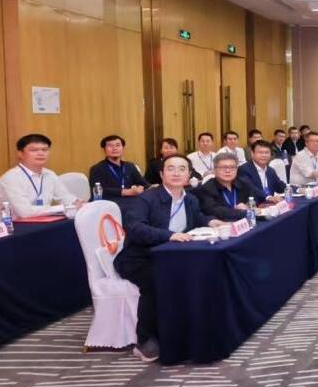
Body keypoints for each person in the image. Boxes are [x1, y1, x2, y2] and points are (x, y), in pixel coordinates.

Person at [117, 154, 225, 362]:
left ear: (189, 175)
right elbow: (135, 228)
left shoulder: (190, 199)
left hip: (172, 257)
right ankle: (144, 340)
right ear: (161, 174)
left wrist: (211, 222)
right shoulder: (146, 199)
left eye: (182, 169)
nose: (176, 173)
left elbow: (196, 218)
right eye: (171, 168)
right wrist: (169, 235)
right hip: (139, 258)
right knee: (156, 282)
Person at [0, 134, 81, 218]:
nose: (41, 153)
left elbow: (65, 197)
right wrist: (61, 208)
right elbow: (25, 212)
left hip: (41, 222)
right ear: (20, 154)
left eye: (45, 149)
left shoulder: (50, 174)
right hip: (10, 226)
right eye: (34, 150)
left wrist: (77, 203)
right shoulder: (11, 178)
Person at [193, 152, 261, 222]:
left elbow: (255, 198)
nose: (228, 171)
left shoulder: (243, 183)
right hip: (223, 225)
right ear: (214, 170)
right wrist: (243, 212)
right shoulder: (207, 188)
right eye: (223, 167)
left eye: (232, 167)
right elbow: (214, 211)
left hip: (246, 223)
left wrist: (248, 205)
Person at [88, 135, 149, 200]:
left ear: (123, 148)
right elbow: (99, 191)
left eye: (118, 145)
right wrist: (124, 192)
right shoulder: (96, 169)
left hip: (130, 201)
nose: (114, 148)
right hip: (109, 203)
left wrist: (143, 188)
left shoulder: (130, 166)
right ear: (104, 150)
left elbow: (145, 185)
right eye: (110, 146)